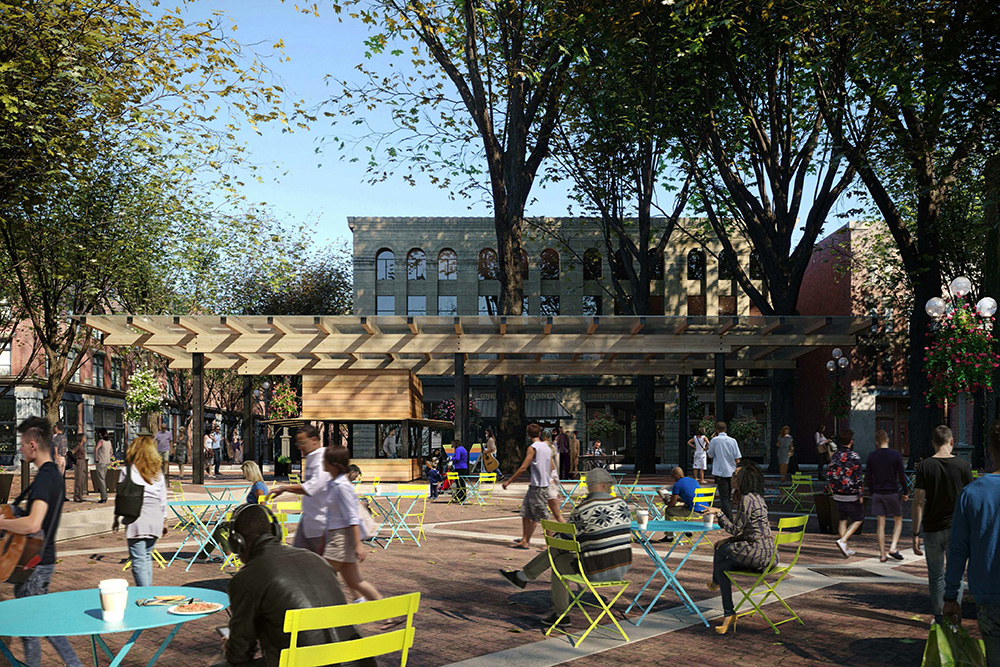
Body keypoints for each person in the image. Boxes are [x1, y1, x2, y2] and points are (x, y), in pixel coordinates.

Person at [212, 503, 376, 667]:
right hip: (356, 660)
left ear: (237, 543)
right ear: (276, 532)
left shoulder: (245, 579)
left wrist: (231, 646)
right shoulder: (317, 560)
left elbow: (240, 654)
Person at [499, 467, 632, 627]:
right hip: (622, 566)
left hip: (598, 570)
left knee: (558, 559)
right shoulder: (622, 504)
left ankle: (559, 612)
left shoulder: (584, 508)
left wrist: (558, 536)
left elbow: (565, 540)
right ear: (604, 485)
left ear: (594, 485)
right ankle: (523, 577)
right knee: (561, 550)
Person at [0, 417, 84, 667]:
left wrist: (2, 523)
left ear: (33, 444)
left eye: (22, 444)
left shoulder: (45, 479)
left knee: (34, 627)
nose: (20, 449)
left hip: (34, 564)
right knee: (39, 623)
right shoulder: (51, 476)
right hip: (40, 560)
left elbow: (33, 524)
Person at [942, 420, 1000, 665]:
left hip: (989, 595)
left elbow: (957, 550)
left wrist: (950, 596)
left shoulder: (972, 493)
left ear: (991, 450)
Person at [704, 464, 775, 635]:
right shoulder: (758, 498)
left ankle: (715, 583)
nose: (732, 477)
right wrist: (728, 540)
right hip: (770, 555)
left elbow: (736, 529)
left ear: (743, 479)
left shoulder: (747, 499)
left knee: (721, 550)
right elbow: (750, 531)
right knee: (722, 566)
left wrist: (719, 513)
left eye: (735, 475)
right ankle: (729, 614)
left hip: (757, 554)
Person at [913, 425, 973, 624]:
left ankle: (939, 615)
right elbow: (970, 500)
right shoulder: (963, 466)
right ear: (952, 441)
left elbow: (918, 501)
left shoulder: (924, 467)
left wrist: (915, 533)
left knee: (936, 574)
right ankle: (954, 613)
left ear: (933, 443)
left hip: (932, 528)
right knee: (955, 574)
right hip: (957, 528)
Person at [322, 446, 384, 605]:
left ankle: (322, 614)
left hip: (340, 539)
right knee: (355, 582)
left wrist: (358, 545)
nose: (322, 462)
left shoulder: (341, 486)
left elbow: (352, 517)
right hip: (340, 537)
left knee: (321, 577)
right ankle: (388, 614)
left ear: (334, 463)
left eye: (326, 459)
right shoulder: (336, 483)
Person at [112, 435, 167, 586]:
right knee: (147, 557)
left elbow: (121, 496)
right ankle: (147, 591)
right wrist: (164, 521)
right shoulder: (158, 473)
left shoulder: (128, 471)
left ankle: (145, 594)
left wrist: (116, 519)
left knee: (138, 559)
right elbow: (163, 499)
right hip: (155, 517)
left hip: (136, 516)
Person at [269, 424, 331, 555]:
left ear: (314, 440)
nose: (300, 447)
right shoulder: (311, 458)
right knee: (296, 560)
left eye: (302, 442)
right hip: (308, 520)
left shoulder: (322, 459)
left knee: (322, 566)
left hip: (321, 524)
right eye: (298, 444)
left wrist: (284, 488)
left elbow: (312, 488)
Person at [503, 423, 551, 549]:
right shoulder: (547, 447)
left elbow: (524, 467)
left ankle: (551, 543)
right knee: (526, 512)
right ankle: (525, 540)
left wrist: (509, 480)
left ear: (528, 435)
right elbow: (551, 466)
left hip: (539, 486)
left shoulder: (533, 448)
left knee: (543, 515)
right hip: (538, 484)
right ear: (540, 433)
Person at [865, 429, 908, 562]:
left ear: (876, 443)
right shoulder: (895, 455)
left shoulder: (872, 456)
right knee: (898, 520)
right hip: (892, 492)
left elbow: (868, 477)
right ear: (887, 440)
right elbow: (901, 476)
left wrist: (872, 491)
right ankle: (893, 547)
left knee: (881, 524)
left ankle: (883, 553)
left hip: (878, 492)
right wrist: (905, 492)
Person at [827, 430, 864, 558]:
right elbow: (858, 477)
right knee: (858, 519)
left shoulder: (835, 456)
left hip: (838, 492)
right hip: (851, 492)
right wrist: (860, 493)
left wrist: (832, 488)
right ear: (851, 441)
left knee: (842, 520)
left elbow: (830, 473)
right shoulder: (854, 456)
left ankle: (845, 547)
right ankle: (843, 541)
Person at [655, 467, 706, 542]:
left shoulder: (677, 485)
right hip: (704, 509)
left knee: (668, 510)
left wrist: (666, 501)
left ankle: (669, 536)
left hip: (693, 511)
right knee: (686, 506)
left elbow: (672, 505)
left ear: (676, 475)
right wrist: (677, 498)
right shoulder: (693, 481)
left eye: (673, 477)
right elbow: (691, 498)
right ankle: (688, 530)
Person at [707, 421, 741, 520]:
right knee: (729, 496)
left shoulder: (714, 441)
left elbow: (710, 455)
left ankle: (728, 519)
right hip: (731, 472)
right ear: (725, 429)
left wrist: (711, 440)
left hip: (720, 472)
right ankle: (725, 518)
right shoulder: (732, 440)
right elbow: (737, 458)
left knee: (724, 497)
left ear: (716, 430)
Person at [94, 428, 112, 503]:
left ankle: (104, 497)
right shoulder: (109, 442)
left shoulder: (101, 441)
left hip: (101, 462)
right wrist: (109, 458)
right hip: (107, 461)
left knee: (101, 480)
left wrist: (96, 458)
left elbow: (96, 449)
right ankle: (104, 495)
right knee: (103, 478)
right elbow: (111, 451)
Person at [72, 432, 89, 502]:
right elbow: (71, 452)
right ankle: (76, 496)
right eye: (84, 437)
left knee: (82, 479)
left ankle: (80, 495)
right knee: (78, 479)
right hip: (79, 462)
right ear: (81, 439)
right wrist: (75, 460)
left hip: (83, 462)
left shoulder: (82, 446)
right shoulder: (78, 446)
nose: (85, 439)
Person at [451, 439, 469, 503]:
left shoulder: (458, 449)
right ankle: (463, 495)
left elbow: (457, 458)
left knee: (458, 482)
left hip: (459, 466)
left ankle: (459, 495)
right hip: (464, 466)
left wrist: (451, 458)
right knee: (462, 482)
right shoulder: (463, 449)